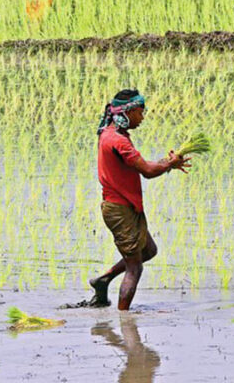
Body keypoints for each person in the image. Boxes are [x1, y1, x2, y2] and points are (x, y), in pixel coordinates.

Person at [87, 90, 190, 310]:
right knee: (135, 268)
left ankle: (103, 280)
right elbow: (148, 171)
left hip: (127, 206)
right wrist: (168, 164)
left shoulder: (111, 133)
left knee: (149, 251)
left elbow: (145, 166)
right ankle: (124, 318)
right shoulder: (118, 141)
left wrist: (167, 162)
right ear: (129, 112)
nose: (142, 118)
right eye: (140, 113)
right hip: (119, 209)